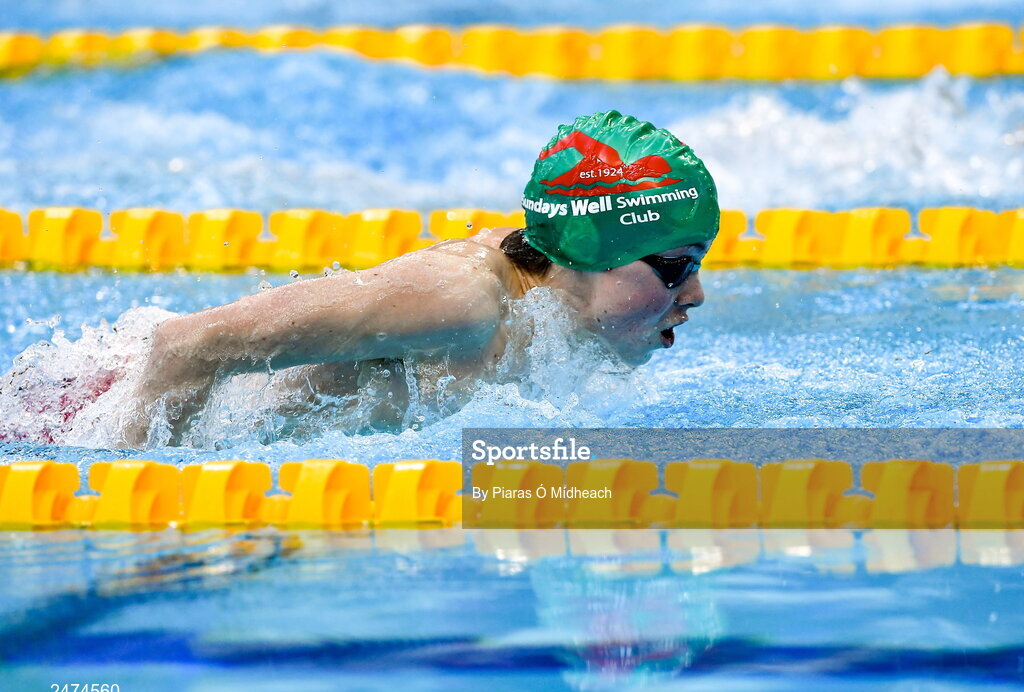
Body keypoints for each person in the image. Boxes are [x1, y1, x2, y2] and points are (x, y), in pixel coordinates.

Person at [121, 110, 720, 446]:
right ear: (593, 251)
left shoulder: (552, 324)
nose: (694, 293)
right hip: (72, 418)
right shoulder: (462, 300)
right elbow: (185, 345)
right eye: (675, 267)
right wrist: (146, 499)